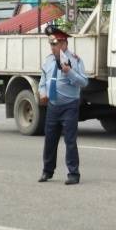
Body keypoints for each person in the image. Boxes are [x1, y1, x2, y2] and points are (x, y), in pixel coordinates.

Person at [38, 26, 88, 186]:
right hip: (53, 105)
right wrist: (43, 93)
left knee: (70, 141)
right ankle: (47, 171)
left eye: (55, 44)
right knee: (50, 140)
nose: (52, 47)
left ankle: (73, 174)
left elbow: (84, 82)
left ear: (64, 44)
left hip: (69, 106)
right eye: (51, 44)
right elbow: (42, 81)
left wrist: (69, 72)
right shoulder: (48, 60)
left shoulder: (75, 60)